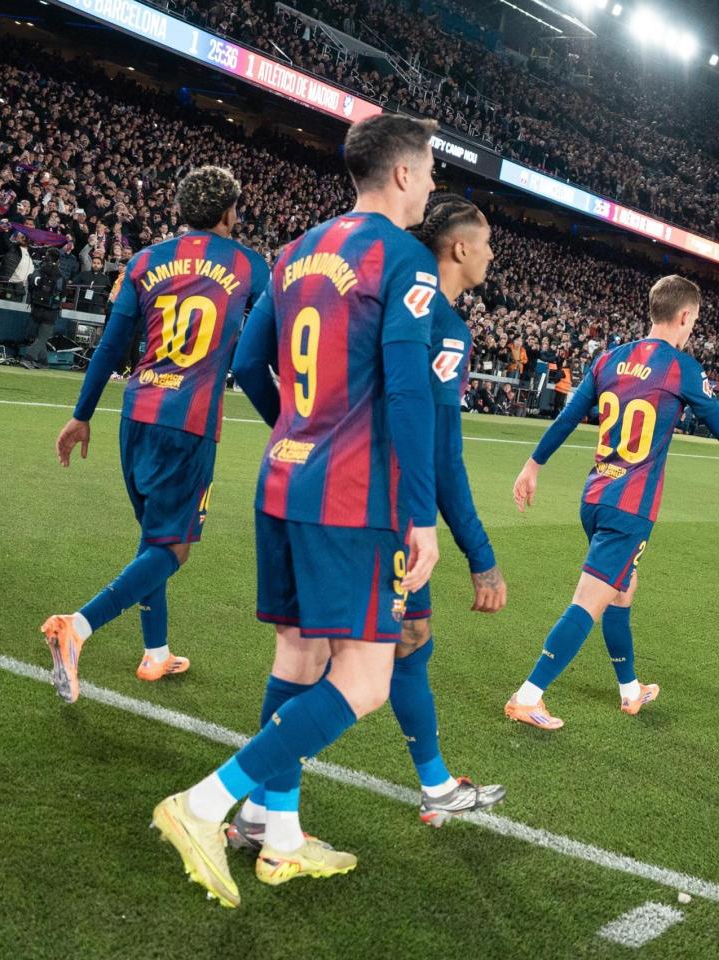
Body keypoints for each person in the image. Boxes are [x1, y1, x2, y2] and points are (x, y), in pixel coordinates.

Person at [150, 114, 442, 908]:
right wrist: (421, 514)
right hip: (352, 496)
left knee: (299, 654)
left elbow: (249, 361)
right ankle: (205, 804)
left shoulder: (294, 251)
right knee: (366, 681)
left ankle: (277, 837)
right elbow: (408, 392)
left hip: (283, 477)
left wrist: (301, 428)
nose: (432, 185)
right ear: (404, 174)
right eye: (429, 169)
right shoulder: (403, 258)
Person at [225, 196, 507, 853]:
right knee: (351, 672)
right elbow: (442, 453)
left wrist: (301, 430)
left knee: (391, 640)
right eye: (488, 242)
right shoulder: (439, 321)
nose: (493, 255)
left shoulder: (307, 256)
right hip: (374, 506)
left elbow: (247, 364)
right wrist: (480, 553)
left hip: (300, 479)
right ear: (460, 248)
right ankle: (238, 801)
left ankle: (426, 785)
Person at [505, 275, 719, 730]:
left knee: (623, 589)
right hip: (629, 508)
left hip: (596, 496)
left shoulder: (609, 358)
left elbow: (568, 417)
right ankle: (528, 696)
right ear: (685, 316)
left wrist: (533, 466)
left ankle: (631, 690)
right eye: (695, 321)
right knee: (588, 602)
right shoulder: (681, 368)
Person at [41, 167, 267, 698]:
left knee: (154, 539)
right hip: (189, 424)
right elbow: (259, 350)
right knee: (173, 549)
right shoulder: (249, 266)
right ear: (229, 211)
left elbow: (110, 343)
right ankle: (78, 626)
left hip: (137, 413)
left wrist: (81, 414)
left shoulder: (145, 260)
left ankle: (156, 653)